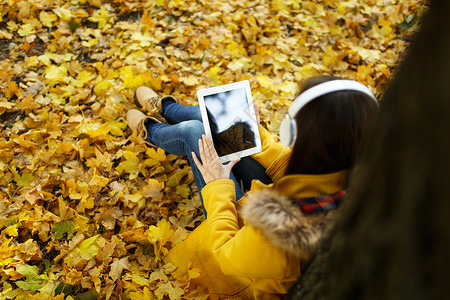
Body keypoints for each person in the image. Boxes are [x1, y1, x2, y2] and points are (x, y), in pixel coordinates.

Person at [126, 75, 379, 299]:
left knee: (196, 133)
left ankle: (150, 130)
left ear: (293, 134)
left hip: (245, 255)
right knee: (218, 126)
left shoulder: (280, 234)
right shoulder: (359, 177)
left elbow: (225, 254)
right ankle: (165, 107)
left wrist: (217, 186)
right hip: (277, 206)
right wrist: (253, 133)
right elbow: (290, 164)